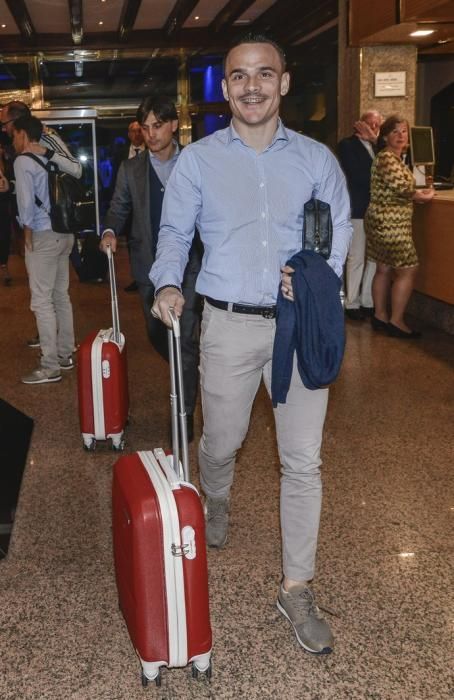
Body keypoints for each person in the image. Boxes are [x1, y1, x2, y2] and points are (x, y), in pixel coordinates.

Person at [150, 34, 352, 654]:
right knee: (222, 442)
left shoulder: (317, 159)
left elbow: (338, 227)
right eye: (239, 76)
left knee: (303, 461)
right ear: (227, 88)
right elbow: (175, 232)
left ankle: (296, 586)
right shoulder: (199, 161)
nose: (253, 86)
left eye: (265, 74)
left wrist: (319, 278)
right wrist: (165, 283)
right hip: (228, 323)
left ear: (284, 83)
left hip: (299, 324)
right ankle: (216, 496)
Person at [99, 96, 202, 442]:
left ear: (174, 125)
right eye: (146, 127)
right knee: (159, 336)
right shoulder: (132, 169)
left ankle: (184, 415)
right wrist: (111, 231)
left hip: (189, 266)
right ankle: (187, 366)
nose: (151, 133)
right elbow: (118, 208)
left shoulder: (194, 161)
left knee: (183, 339)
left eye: (158, 125)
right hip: (149, 267)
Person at [1, 100, 82, 347]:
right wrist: (10, 186)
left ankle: (52, 359)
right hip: (54, 227)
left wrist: (45, 152)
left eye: (5, 123)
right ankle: (58, 344)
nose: (3, 129)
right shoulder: (20, 152)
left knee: (44, 298)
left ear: (18, 124)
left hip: (46, 228)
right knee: (56, 295)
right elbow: (38, 188)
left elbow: (77, 169)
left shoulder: (47, 138)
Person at [12, 116, 75, 383]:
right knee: (61, 295)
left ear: (24, 134)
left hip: (43, 235)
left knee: (41, 301)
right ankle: (65, 353)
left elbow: (26, 204)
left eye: (13, 134)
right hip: (64, 233)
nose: (12, 140)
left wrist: (27, 235)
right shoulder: (48, 156)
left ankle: (50, 366)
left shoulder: (23, 160)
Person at [365, 114, 434, 338]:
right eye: (394, 131)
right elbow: (403, 188)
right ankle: (396, 321)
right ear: (384, 137)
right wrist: (422, 194)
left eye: (404, 131)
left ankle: (380, 316)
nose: (401, 136)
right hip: (391, 223)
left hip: (380, 221)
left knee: (384, 268)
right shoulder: (387, 158)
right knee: (408, 268)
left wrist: (417, 192)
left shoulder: (391, 158)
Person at [338, 110, 383, 320]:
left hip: (377, 210)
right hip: (357, 208)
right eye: (370, 123)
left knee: (373, 258)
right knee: (356, 256)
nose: (373, 128)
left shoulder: (378, 147)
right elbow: (357, 175)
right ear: (359, 124)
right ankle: (352, 302)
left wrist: (376, 141)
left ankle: (367, 300)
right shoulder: (347, 145)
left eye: (377, 125)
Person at [121, 121, 146, 293]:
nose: (136, 134)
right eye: (133, 131)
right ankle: (137, 277)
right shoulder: (120, 154)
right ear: (128, 134)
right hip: (129, 207)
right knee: (133, 243)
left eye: (139, 131)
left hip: (146, 205)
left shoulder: (152, 152)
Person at [0, 135, 14, 285]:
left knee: (4, 237)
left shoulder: (8, 163)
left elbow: (12, 183)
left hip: (3, 205)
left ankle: (4, 267)